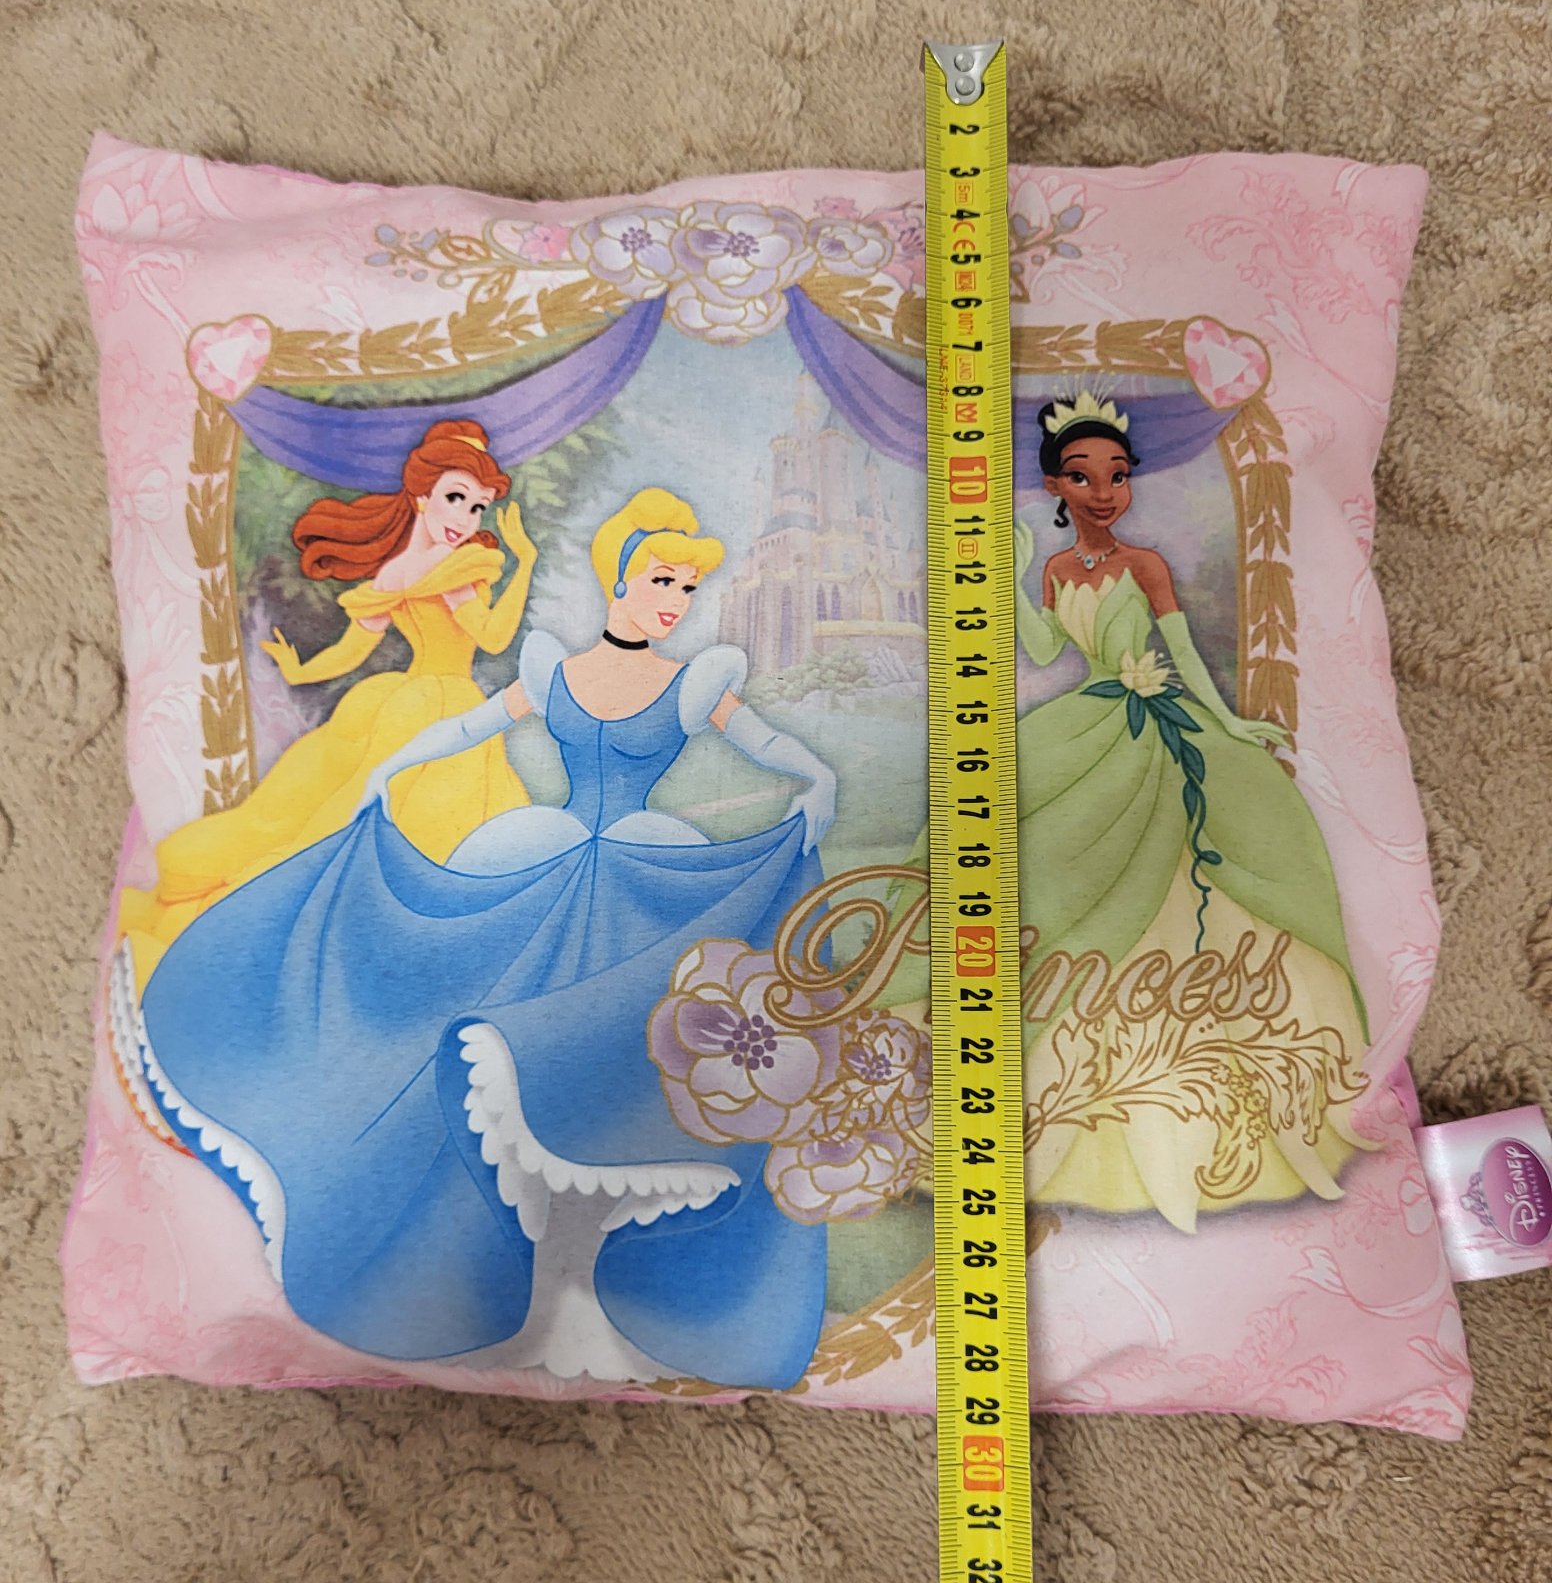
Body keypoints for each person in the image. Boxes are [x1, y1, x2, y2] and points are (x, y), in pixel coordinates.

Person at [128, 487, 836, 1388]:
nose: (676, 601)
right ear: (620, 578)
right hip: (545, 866)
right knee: (493, 1073)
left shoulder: (692, 683)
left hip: (644, 879)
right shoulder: (553, 672)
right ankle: (507, 1293)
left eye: (687, 589)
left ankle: (596, 1302)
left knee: (610, 1083)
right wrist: (394, 765)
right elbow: (473, 725)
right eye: (663, 580)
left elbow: (766, 740)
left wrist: (816, 780)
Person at [1009, 391, 1371, 1231]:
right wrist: (1015, 573)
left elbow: (1182, 654)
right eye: (1082, 476)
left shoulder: (1145, 565)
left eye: (1118, 474)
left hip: (1158, 722)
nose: (1104, 491)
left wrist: (1228, 722)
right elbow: (1045, 647)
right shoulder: (1057, 571)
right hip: (1086, 720)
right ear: (1057, 486)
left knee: (1183, 870)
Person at [117, 419, 535, 989]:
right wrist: (524, 562)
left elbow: (350, 651)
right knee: (424, 828)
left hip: (401, 702)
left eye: (478, 506)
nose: (466, 518)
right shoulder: (454, 572)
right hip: (444, 705)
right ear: (421, 496)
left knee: (342, 820)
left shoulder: (395, 574)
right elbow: (493, 637)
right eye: (456, 498)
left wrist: (300, 669)